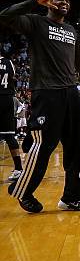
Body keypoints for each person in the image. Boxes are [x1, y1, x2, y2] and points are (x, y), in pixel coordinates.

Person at [0, 0, 80, 213]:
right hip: (46, 92)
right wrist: (34, 1)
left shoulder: (71, 31)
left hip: (70, 93)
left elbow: (79, 61)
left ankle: (72, 196)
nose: (65, 3)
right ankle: (23, 190)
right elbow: (4, 15)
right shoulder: (36, 23)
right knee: (43, 146)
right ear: (48, 2)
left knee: (76, 145)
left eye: (68, 0)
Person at [0, 51, 22, 182]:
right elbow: (13, 78)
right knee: (9, 135)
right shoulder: (9, 63)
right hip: (8, 99)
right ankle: (18, 169)